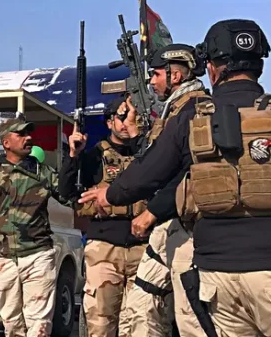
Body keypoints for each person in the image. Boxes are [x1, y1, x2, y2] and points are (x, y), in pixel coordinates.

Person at [79, 43, 210, 337]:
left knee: (164, 314)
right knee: (141, 311)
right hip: (166, 224)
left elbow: (164, 171)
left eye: (157, 74)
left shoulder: (188, 111)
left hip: (182, 225)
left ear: (175, 76)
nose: (152, 81)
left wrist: (119, 198)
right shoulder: (182, 109)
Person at [178, 19, 271, 336]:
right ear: (260, 65)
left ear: (212, 69)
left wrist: (109, 195)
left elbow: (148, 174)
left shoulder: (192, 115)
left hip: (218, 272)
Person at [0, 113, 66, 337]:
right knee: (12, 323)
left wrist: (73, 161)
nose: (28, 137)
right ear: (6, 142)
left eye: (29, 133)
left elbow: (69, 197)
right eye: (21, 134)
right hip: (3, 258)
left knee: (39, 324)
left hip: (38, 254)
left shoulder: (43, 173)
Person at [60, 96, 147, 337]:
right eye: (121, 117)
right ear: (109, 122)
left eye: (133, 117)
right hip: (105, 248)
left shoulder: (147, 156)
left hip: (143, 247)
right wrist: (73, 155)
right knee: (100, 322)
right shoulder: (95, 156)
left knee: (142, 324)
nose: (126, 123)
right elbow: (66, 192)